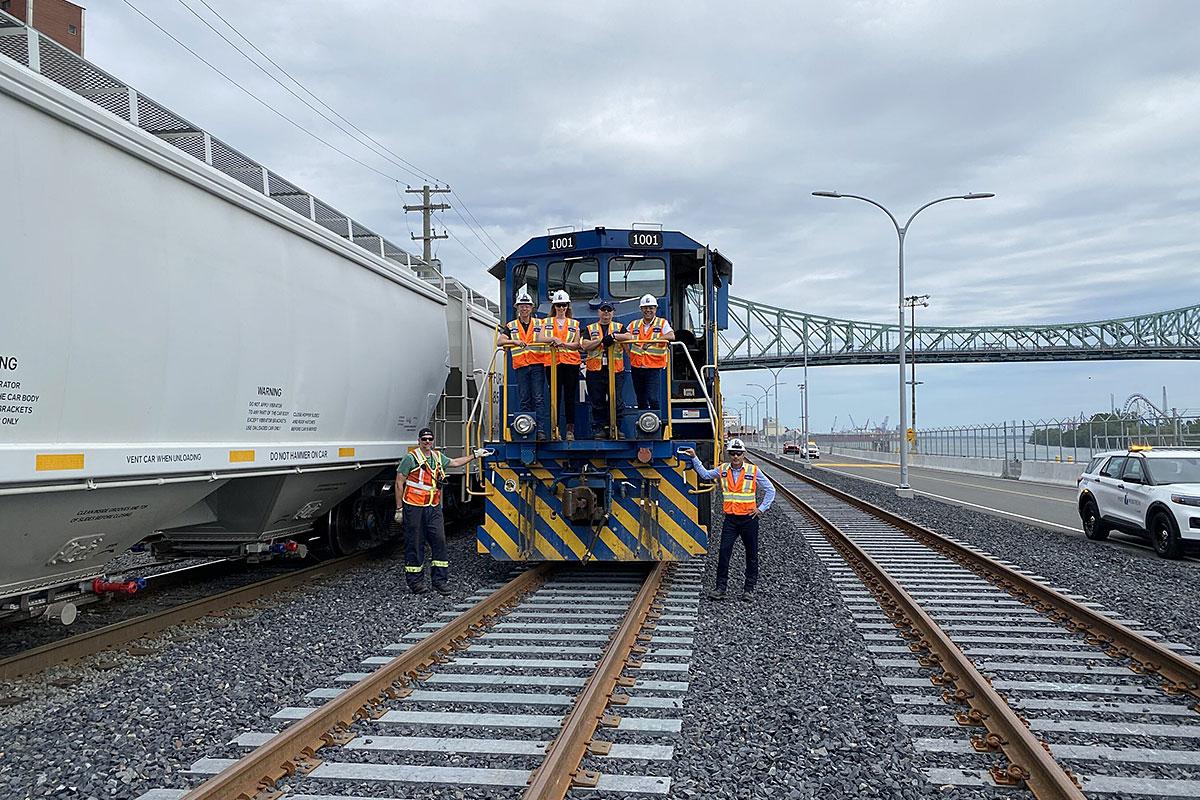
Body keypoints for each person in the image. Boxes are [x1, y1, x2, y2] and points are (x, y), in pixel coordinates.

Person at [679, 438, 775, 601]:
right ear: (729, 454)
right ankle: (720, 588)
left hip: (749, 519)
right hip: (730, 520)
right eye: (733, 453)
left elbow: (770, 490)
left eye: (738, 453)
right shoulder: (723, 470)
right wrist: (695, 457)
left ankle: (749, 590)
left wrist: (761, 509)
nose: (736, 456)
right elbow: (705, 474)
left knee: (751, 554)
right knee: (724, 553)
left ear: (743, 454)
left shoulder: (753, 470)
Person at [395, 427, 486, 594]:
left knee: (439, 541)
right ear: (419, 441)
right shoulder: (411, 458)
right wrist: (399, 508)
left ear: (433, 440)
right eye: (424, 439)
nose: (427, 442)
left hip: (433, 506)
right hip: (414, 507)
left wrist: (475, 455)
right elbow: (399, 481)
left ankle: (439, 581)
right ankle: (415, 583)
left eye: (430, 439)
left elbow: (455, 463)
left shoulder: (437, 457)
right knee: (415, 543)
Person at [496, 287, 550, 438]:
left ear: (531, 308)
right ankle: (527, 430)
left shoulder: (540, 323)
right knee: (525, 398)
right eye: (521, 306)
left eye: (527, 306)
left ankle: (540, 430)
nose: (524, 308)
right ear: (517, 308)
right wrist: (514, 341)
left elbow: (546, 337)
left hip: (537, 365)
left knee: (539, 398)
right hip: (521, 366)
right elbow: (500, 341)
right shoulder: (511, 326)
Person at [580, 301, 631, 438]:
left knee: (617, 400)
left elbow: (629, 337)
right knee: (597, 401)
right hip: (595, 371)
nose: (606, 313)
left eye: (609, 310)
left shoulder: (619, 327)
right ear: (599, 312)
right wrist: (602, 341)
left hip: (615, 370)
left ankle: (616, 428)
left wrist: (614, 337)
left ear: (613, 312)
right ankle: (601, 429)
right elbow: (585, 345)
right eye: (603, 310)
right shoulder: (590, 328)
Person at [537, 289, 582, 440]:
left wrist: (563, 344)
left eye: (563, 305)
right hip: (553, 364)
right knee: (555, 397)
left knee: (570, 398)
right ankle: (555, 430)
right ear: (554, 306)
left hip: (571, 363)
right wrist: (553, 339)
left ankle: (570, 430)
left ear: (567, 306)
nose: (561, 308)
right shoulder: (546, 322)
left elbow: (577, 344)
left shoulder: (574, 324)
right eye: (558, 305)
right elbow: (540, 338)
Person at [627, 293, 675, 415]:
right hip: (637, 366)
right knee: (641, 398)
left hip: (654, 367)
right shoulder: (634, 324)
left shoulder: (662, 323)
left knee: (653, 397)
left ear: (656, 309)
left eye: (651, 308)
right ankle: (644, 426)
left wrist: (653, 341)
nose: (648, 310)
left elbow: (671, 335)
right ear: (641, 309)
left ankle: (655, 423)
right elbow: (624, 336)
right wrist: (628, 352)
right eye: (645, 308)